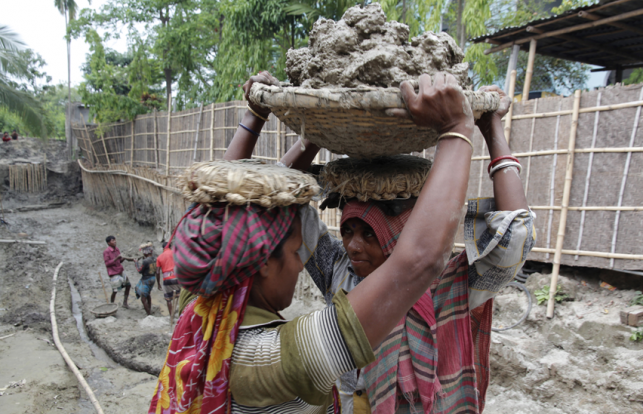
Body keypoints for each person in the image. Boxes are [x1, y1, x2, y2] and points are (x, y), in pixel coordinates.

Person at [150, 72, 522, 413]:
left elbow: (227, 211)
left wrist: (274, 122)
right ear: (262, 260)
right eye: (296, 252)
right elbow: (419, 261)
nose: (303, 263)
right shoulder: (273, 356)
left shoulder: (200, 308)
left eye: (369, 233)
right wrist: (459, 128)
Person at [103, 236, 131, 308]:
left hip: (120, 270)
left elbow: (120, 261)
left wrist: (124, 257)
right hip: (113, 272)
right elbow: (107, 264)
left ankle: (125, 302)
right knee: (115, 290)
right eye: (113, 240)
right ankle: (112, 304)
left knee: (128, 285)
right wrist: (117, 258)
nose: (115, 241)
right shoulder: (106, 252)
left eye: (115, 240)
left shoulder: (116, 249)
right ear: (109, 243)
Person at [156, 241, 180, 318]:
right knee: (180, 295)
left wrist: (158, 283)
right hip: (176, 277)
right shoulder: (175, 253)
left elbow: (157, 272)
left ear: (163, 248)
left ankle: (171, 316)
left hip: (166, 279)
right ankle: (181, 313)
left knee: (168, 299)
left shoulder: (159, 257)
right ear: (170, 246)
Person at [135, 242, 157, 315]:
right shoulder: (155, 258)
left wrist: (136, 263)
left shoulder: (145, 261)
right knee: (148, 294)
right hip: (153, 278)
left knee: (143, 298)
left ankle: (148, 314)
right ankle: (149, 309)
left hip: (146, 279)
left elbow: (140, 271)